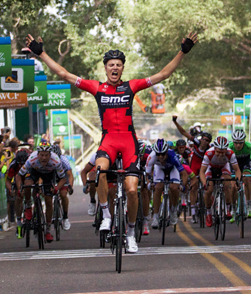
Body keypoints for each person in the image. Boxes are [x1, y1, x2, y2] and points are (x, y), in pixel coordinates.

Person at [26, 31, 197, 254]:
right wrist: (42, 54)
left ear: (122, 68)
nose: (114, 68)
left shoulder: (131, 86)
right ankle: (106, 215)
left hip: (128, 141)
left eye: (118, 65)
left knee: (132, 190)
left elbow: (163, 74)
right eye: (111, 65)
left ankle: (131, 233)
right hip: (108, 140)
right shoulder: (97, 88)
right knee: (99, 171)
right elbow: (64, 74)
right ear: (105, 68)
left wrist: (182, 52)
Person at [18, 143, 67, 243]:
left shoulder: (56, 161)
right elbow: (18, 175)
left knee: (49, 201)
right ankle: (28, 205)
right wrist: (20, 189)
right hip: (34, 172)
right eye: (41, 155)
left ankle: (48, 230)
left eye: (46, 155)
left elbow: (63, 178)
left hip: (49, 175)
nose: (44, 158)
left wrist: (57, 188)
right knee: (28, 184)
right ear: (37, 154)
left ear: (50, 155)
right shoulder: (31, 159)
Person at [200, 136, 240, 227]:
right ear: (215, 149)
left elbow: (237, 170)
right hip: (211, 168)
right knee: (209, 190)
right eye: (218, 152)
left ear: (226, 150)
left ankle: (228, 209)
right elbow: (202, 171)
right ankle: (208, 213)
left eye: (223, 152)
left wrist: (237, 181)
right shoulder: (209, 153)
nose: (221, 155)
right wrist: (204, 183)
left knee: (227, 184)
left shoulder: (230, 153)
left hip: (223, 167)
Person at [146, 138, 185, 228]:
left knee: (174, 188)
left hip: (172, 169)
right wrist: (149, 184)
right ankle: (155, 217)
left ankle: (173, 209)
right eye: (158, 154)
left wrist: (182, 185)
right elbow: (147, 174)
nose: (160, 157)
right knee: (158, 188)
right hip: (159, 169)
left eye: (163, 154)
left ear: (167, 152)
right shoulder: (151, 156)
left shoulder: (173, 156)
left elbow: (184, 173)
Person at [230, 129, 251, 217]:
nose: (238, 145)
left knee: (247, 179)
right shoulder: (229, 147)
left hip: (245, 163)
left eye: (241, 143)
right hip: (234, 165)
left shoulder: (250, 147)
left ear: (244, 141)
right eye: (236, 143)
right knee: (233, 185)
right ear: (233, 141)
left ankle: (249, 206)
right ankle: (233, 208)